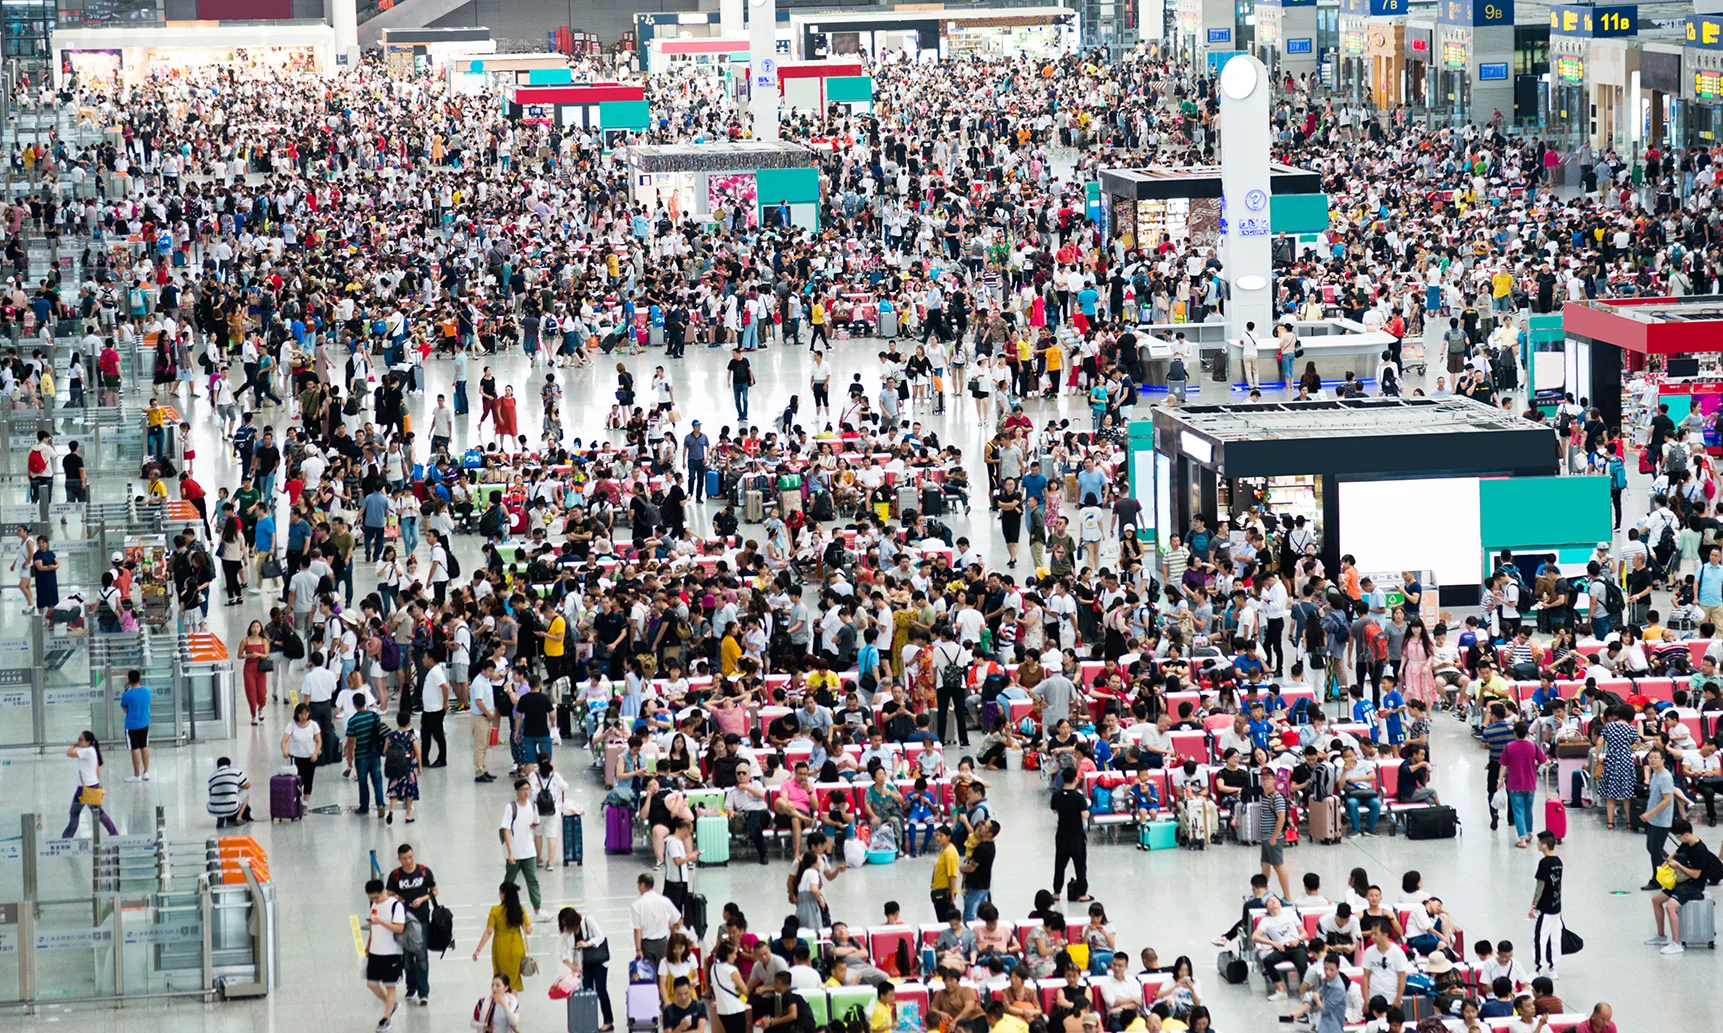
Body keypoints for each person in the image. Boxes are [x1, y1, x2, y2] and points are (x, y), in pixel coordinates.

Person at [1646, 818, 1723, 954]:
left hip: (1694, 885)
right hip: (1681, 881)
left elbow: (1696, 875)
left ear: (1685, 834)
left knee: (1671, 906)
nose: (1678, 839)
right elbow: (1675, 853)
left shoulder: (1700, 851)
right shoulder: (1687, 843)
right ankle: (1661, 935)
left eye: (1678, 836)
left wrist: (1678, 866)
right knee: (1656, 900)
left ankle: (1676, 943)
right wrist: (1664, 865)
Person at [387, 843, 437, 1007]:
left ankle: (424, 992)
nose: (408, 861)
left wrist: (422, 899)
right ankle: (411, 987)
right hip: (404, 921)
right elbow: (389, 894)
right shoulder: (395, 875)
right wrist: (398, 899)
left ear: (413, 854)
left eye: (410, 857)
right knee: (407, 957)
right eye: (404, 859)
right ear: (399, 859)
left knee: (421, 955)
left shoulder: (423, 871)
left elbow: (435, 890)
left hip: (422, 919)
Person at [560, 906, 615, 1030]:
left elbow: (600, 937)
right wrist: (572, 966)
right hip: (584, 965)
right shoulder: (567, 933)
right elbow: (562, 953)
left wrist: (587, 943)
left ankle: (608, 1021)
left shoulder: (588, 921)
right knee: (587, 991)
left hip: (600, 961)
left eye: (567, 924)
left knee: (601, 990)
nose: (567, 928)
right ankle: (589, 1021)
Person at [364, 877, 407, 1030]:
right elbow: (372, 928)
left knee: (390, 985)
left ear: (383, 891)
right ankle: (391, 1004)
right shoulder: (373, 904)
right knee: (371, 984)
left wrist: (381, 922)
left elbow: (400, 928)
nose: (375, 900)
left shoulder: (395, 906)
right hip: (375, 951)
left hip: (391, 952)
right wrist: (368, 944)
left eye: (376, 897)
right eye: (371, 898)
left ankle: (386, 1018)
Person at [472, 881, 532, 991]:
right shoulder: (520, 909)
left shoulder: (495, 910)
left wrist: (478, 950)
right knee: (514, 981)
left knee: (501, 979)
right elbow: (528, 930)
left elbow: (489, 931)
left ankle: (502, 1002)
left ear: (504, 894)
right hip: (516, 947)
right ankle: (513, 1005)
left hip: (500, 947)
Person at [61, 729, 119, 838]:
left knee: (76, 813)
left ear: (88, 742)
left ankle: (67, 838)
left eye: (81, 740)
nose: (79, 741)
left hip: (86, 788)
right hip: (89, 786)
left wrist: (73, 745)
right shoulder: (92, 751)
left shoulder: (87, 751)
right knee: (94, 813)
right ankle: (113, 833)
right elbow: (97, 769)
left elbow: (69, 753)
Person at [499, 778, 543, 915]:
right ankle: (503, 908)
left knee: (533, 881)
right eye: (523, 789)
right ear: (517, 791)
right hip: (515, 852)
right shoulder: (511, 807)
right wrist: (510, 852)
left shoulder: (532, 805)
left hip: (529, 851)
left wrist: (534, 825)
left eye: (528, 789)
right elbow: (506, 829)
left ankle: (537, 909)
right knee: (509, 882)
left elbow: (534, 823)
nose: (526, 792)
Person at [1050, 766, 1091, 902]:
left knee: (1059, 864)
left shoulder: (1056, 795)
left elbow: (1054, 811)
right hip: (1076, 836)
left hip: (1062, 835)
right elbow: (1085, 815)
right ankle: (1083, 893)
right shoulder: (1078, 797)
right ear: (1075, 779)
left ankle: (1056, 892)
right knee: (1080, 865)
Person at [1529, 831, 1564, 978]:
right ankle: (1552, 966)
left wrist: (1533, 905)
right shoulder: (1558, 862)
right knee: (1554, 936)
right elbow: (1559, 885)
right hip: (1556, 906)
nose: (1537, 845)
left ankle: (1538, 967)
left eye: (1538, 842)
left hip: (1545, 907)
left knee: (1539, 936)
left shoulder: (1544, 863)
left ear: (1544, 845)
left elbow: (1540, 885)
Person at [632, 872, 684, 965]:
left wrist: (638, 949)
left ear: (643, 885)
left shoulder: (637, 905)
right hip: (663, 943)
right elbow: (679, 920)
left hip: (647, 945)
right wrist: (671, 927)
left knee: (649, 974)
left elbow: (637, 930)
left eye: (638, 885)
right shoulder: (665, 901)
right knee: (663, 972)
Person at [119, 668, 152, 782]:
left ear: (129, 680)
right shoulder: (147, 691)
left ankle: (137, 774)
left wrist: (125, 691)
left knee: (135, 748)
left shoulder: (127, 695)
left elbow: (125, 709)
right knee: (144, 746)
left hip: (132, 725)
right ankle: (146, 772)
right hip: (144, 722)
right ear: (140, 679)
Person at [206, 756, 252, 826]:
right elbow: (248, 785)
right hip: (232, 807)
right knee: (246, 791)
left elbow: (210, 795)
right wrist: (237, 785)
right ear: (229, 765)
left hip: (214, 810)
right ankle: (238, 818)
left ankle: (220, 817)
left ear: (217, 766)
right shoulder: (236, 772)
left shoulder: (212, 776)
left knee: (217, 795)